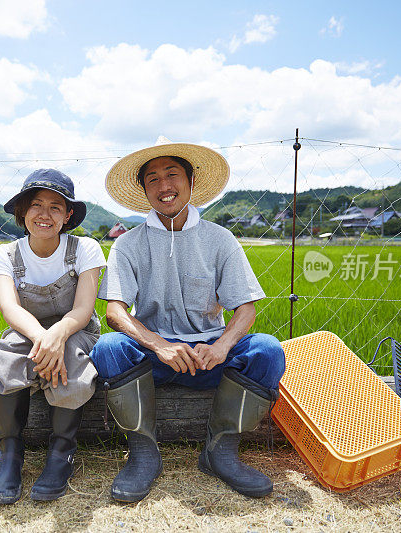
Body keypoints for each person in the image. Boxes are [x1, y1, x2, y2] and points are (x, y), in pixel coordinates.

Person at [90, 139, 286, 503]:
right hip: (155, 359)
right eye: (153, 179)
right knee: (109, 346)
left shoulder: (220, 239)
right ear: (144, 190)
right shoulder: (128, 244)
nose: (164, 186)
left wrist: (221, 347)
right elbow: (115, 312)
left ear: (191, 180)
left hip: (210, 355)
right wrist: (160, 346)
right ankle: (144, 454)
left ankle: (221, 452)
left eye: (172, 174)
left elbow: (245, 309)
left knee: (267, 350)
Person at [0, 168, 105, 504]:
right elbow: (10, 310)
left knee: (72, 362)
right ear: (22, 212)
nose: (44, 214)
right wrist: (43, 338)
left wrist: (58, 337)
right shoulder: (4, 255)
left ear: (67, 216)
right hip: (27, 330)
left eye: (55, 206)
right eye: (36, 205)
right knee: (4, 355)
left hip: (76, 330)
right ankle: (9, 452)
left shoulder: (86, 249)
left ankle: (61, 453)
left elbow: (82, 311)